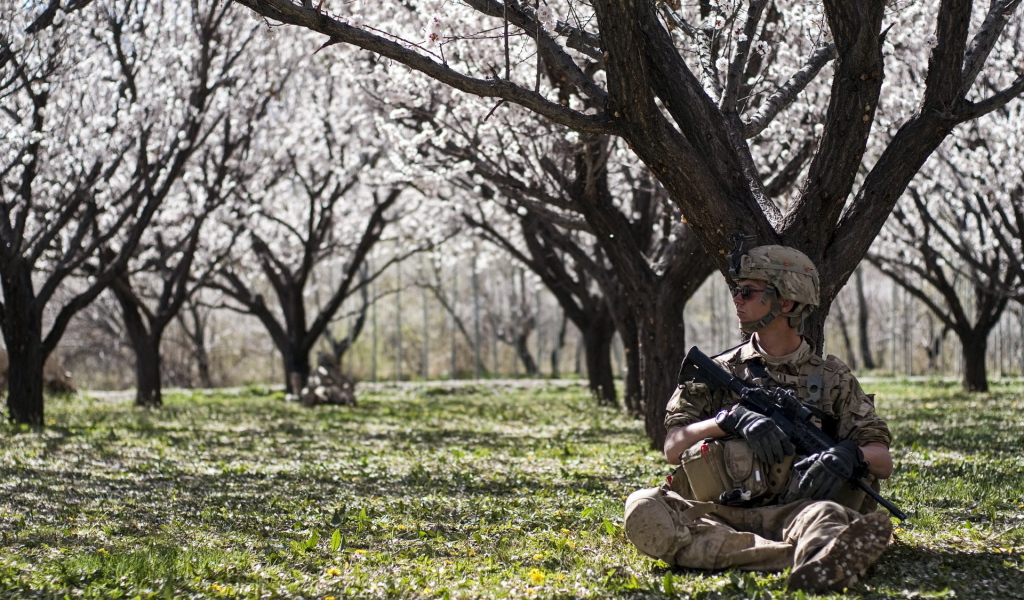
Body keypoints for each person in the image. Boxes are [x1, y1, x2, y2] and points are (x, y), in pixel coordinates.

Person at [623, 243, 896, 593]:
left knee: (826, 517)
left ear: (786, 302)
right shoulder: (718, 372)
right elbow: (673, 448)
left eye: (748, 292)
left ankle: (817, 549)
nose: (737, 298)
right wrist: (727, 421)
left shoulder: (832, 379)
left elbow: (882, 462)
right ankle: (810, 557)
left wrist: (850, 454)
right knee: (643, 507)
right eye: (737, 290)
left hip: (799, 512)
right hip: (718, 513)